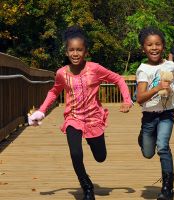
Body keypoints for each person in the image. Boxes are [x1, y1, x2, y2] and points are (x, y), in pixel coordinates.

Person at [28, 25, 132, 200]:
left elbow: (118, 79)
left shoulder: (95, 68)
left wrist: (127, 100)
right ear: (66, 52)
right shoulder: (61, 73)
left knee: (100, 157)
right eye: (71, 50)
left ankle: (94, 143)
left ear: (85, 51)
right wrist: (41, 111)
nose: (75, 53)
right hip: (73, 118)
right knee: (75, 153)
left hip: (93, 118)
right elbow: (54, 91)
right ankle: (87, 186)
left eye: (79, 50)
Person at [136, 27, 174, 200]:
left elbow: (171, 82)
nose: (154, 48)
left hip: (166, 114)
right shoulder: (143, 70)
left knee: (163, 146)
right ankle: (143, 136)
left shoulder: (169, 64)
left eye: (157, 44)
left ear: (163, 46)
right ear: (143, 48)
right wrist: (156, 88)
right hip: (149, 116)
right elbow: (140, 98)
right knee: (148, 153)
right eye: (149, 45)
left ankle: (167, 186)